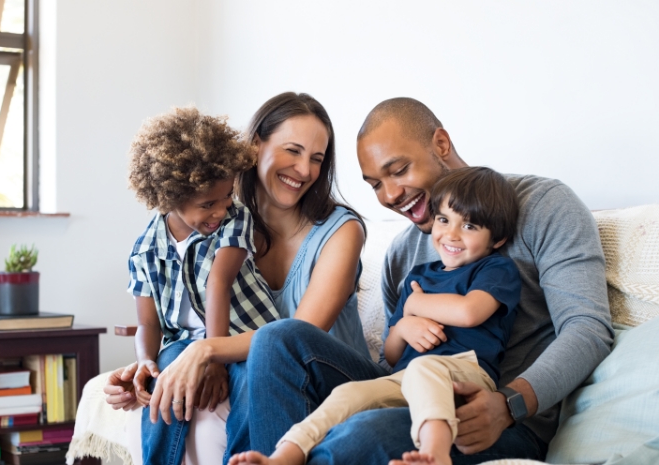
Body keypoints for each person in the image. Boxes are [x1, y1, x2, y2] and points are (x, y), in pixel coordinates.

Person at [242, 97, 614, 464]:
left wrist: (509, 404)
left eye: (399, 170)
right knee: (278, 339)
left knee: (360, 434)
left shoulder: (543, 205)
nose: (389, 196)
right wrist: (404, 326)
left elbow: (587, 328)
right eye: (375, 184)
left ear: (440, 144)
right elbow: (394, 359)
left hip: (495, 416)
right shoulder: (403, 253)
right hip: (411, 390)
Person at [104, 92, 379, 465]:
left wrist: (206, 351)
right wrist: (147, 366)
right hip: (255, 368)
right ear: (254, 147)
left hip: (327, 379)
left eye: (317, 159)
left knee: (263, 358)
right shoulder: (217, 221)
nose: (304, 170)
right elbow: (179, 317)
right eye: (292, 151)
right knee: (178, 387)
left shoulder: (341, 232)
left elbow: (296, 337)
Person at [229, 166, 521, 465]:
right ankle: (283, 456)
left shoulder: (495, 269)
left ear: (496, 240)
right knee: (348, 395)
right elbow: (392, 355)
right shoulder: (418, 277)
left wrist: (415, 307)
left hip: (464, 375)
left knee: (425, 369)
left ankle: (435, 454)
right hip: (405, 377)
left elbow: (470, 312)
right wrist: (405, 325)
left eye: (470, 226)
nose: (452, 234)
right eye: (444, 220)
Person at [125, 106, 282, 464]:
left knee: (250, 381)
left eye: (227, 196)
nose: (221, 209)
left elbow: (218, 284)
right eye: (208, 204)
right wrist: (144, 361)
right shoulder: (145, 250)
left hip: (243, 336)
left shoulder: (234, 218)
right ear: (169, 198)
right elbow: (148, 323)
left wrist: (213, 359)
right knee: (164, 378)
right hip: (183, 344)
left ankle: (245, 458)